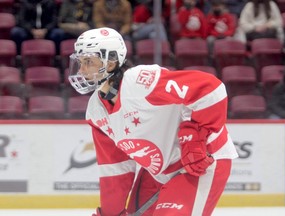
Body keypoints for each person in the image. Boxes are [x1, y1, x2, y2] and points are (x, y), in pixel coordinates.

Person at [68, 27, 238, 216]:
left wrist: (195, 138)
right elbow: (115, 169)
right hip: (159, 172)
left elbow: (211, 90)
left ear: (111, 62)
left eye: (88, 62)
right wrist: (111, 213)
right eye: (80, 62)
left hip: (202, 162)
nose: (82, 70)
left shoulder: (140, 83)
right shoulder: (95, 111)